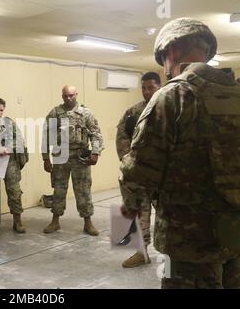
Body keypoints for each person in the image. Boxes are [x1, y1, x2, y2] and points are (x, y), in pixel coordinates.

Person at [120, 17, 240, 288]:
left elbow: (137, 175)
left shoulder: (173, 97)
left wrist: (132, 206)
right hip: (235, 236)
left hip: (188, 244)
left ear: (171, 51)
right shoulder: (236, 93)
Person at [42, 85, 104, 235]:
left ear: (76, 94)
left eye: (71, 95)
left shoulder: (86, 113)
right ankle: (55, 221)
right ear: (62, 96)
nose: (68, 98)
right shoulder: (55, 113)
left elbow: (95, 134)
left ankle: (88, 223)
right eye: (65, 96)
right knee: (58, 189)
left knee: (83, 190)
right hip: (60, 156)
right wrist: (45, 158)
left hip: (80, 156)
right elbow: (46, 136)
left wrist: (95, 153)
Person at [116, 72, 161, 268]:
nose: (146, 91)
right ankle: (141, 253)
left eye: (151, 87)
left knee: (170, 217)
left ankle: (173, 256)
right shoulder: (132, 112)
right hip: (139, 176)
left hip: (163, 176)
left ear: (159, 87)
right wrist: (131, 164)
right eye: (144, 88)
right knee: (138, 213)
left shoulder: (170, 110)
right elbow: (121, 138)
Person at [0, 97, 29, 234]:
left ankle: (17, 221)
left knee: (14, 191)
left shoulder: (9, 123)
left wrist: (8, 149)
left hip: (9, 161)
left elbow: (20, 140)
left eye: (1, 110)